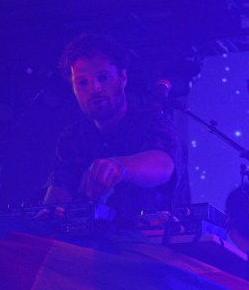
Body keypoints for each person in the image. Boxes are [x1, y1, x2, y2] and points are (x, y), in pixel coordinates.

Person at [43, 33, 190, 226]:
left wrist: (119, 167)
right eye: (82, 82)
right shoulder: (71, 138)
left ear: (123, 77)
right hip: (87, 243)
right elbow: (55, 203)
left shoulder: (153, 122)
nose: (94, 88)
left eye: (103, 77)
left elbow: (164, 166)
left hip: (151, 241)